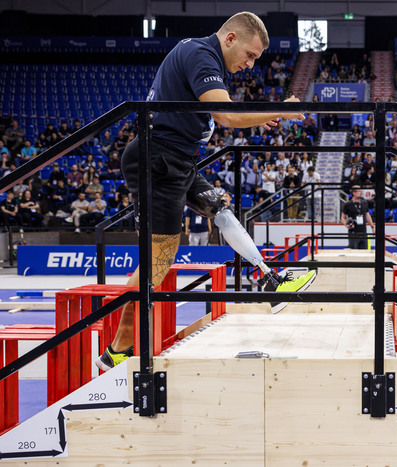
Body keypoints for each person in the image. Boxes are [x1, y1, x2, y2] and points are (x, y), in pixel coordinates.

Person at [96, 12, 317, 372]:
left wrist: (262, 116)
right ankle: (117, 350)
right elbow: (226, 115)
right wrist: (277, 110)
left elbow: (223, 115)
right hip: (159, 159)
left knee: (222, 209)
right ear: (230, 38)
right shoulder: (201, 55)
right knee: (160, 255)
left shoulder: (203, 58)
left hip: (177, 159)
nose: (250, 64)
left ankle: (269, 279)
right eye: (250, 55)